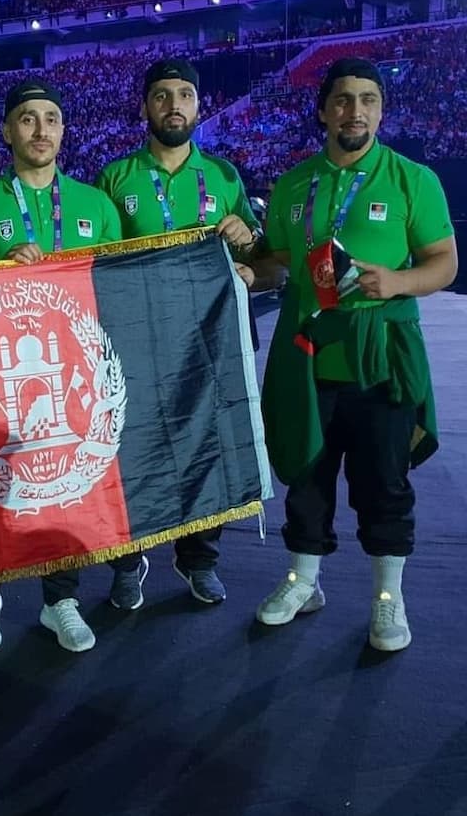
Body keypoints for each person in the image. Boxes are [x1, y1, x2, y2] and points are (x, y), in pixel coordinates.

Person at [255, 57, 457, 652]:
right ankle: (302, 581)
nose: (355, 111)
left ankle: (387, 600)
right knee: (307, 475)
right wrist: (248, 269)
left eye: (368, 100)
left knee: (383, 482)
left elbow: (444, 264)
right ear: (323, 110)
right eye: (343, 99)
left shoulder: (411, 179)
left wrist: (396, 282)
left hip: (381, 355)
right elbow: (281, 264)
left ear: (381, 110)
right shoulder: (293, 184)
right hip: (309, 352)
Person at [0, 78, 143, 655]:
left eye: (51, 118)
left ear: (63, 130)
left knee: (65, 484)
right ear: (8, 130)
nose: (40, 130)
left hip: (72, 369)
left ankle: (62, 600)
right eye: (27, 119)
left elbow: (118, 284)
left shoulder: (95, 203)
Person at [96, 58, 263, 606]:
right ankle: (127, 559)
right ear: (145, 106)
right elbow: (98, 264)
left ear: (198, 105)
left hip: (205, 339)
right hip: (136, 342)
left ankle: (199, 557)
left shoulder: (222, 176)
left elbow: (254, 250)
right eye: (162, 95)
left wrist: (245, 244)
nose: (173, 105)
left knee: (206, 442)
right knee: (130, 446)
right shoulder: (114, 179)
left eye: (185, 95)